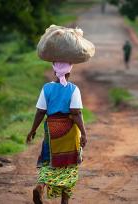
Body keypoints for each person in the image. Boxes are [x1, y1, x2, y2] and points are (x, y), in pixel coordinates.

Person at [26, 62, 87, 204]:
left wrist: (32, 130)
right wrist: (84, 133)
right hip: (69, 132)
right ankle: (64, 201)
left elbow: (40, 111)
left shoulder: (46, 88)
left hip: (51, 129)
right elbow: (76, 113)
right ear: (69, 73)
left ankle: (41, 186)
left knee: (48, 160)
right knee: (69, 164)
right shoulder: (73, 89)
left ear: (54, 72)